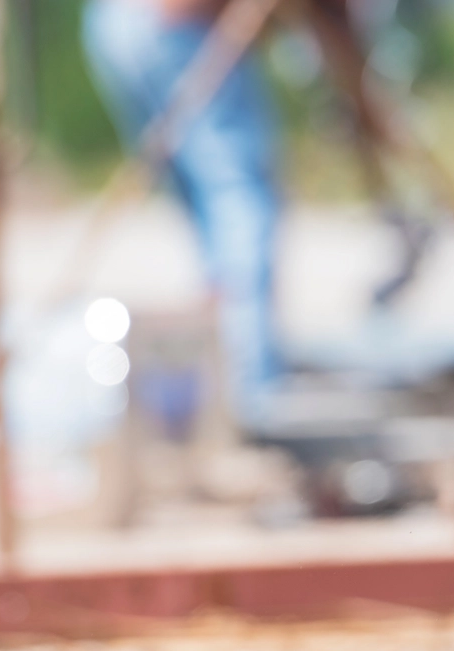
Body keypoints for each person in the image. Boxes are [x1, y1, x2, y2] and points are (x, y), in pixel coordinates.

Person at [82, 0, 284, 432]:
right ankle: (245, 392)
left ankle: (218, 376)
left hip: (117, 20)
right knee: (238, 196)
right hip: (175, 20)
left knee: (206, 200)